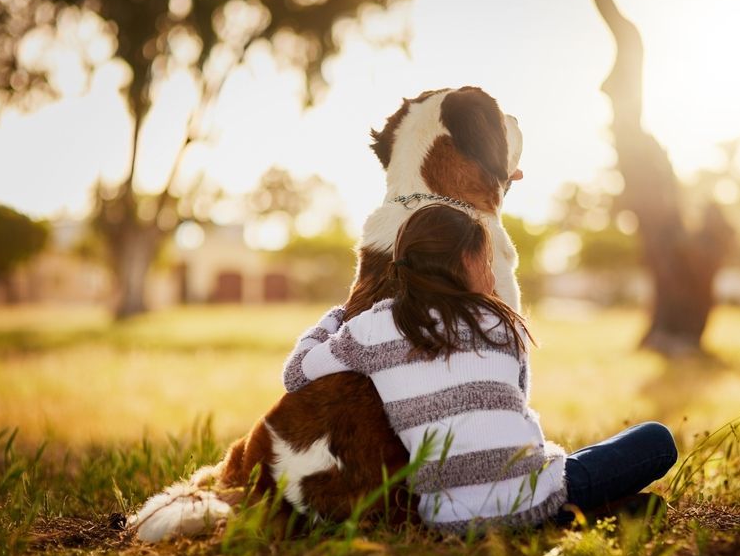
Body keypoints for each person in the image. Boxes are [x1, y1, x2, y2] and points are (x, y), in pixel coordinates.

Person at [282, 204, 677, 534]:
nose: (491, 277)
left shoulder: (371, 328)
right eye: (488, 262)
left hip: (447, 520)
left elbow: (296, 373)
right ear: (466, 260)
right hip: (533, 497)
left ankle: (584, 515)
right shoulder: (499, 320)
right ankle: (567, 515)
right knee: (656, 440)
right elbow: (517, 409)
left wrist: (336, 318)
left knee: (558, 476)